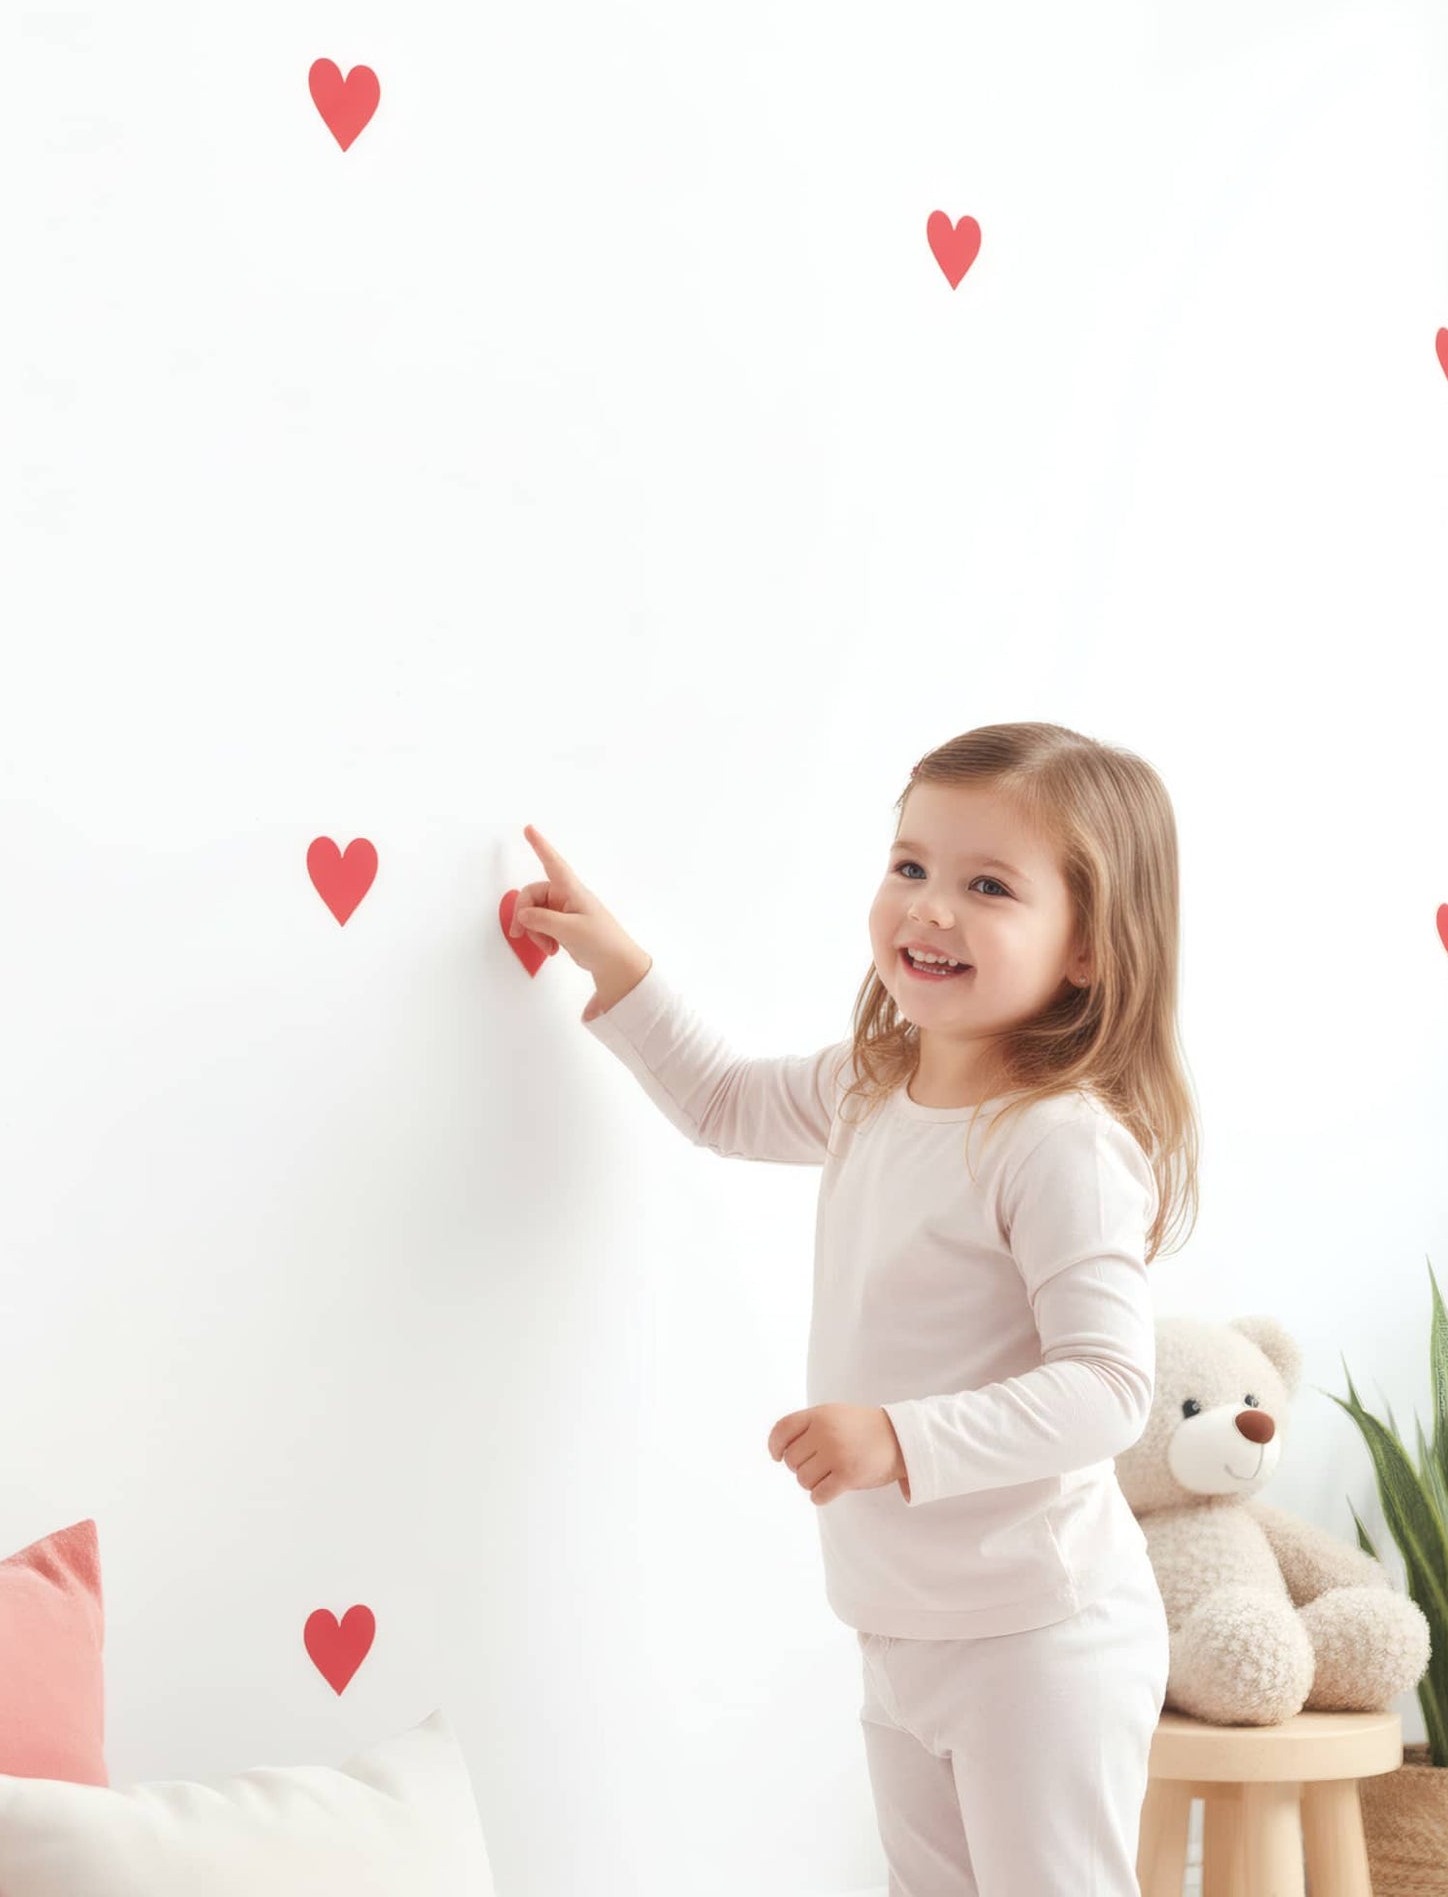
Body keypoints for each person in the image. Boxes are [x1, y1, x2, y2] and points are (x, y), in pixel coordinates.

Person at [507, 721, 1200, 1897]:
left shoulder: (1057, 1142)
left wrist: (898, 1436)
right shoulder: (872, 1085)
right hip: (901, 1616)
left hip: (1039, 1629)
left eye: (986, 885)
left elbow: (1106, 1389)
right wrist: (619, 965)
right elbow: (723, 1100)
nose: (929, 909)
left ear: (1087, 948)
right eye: (909, 866)